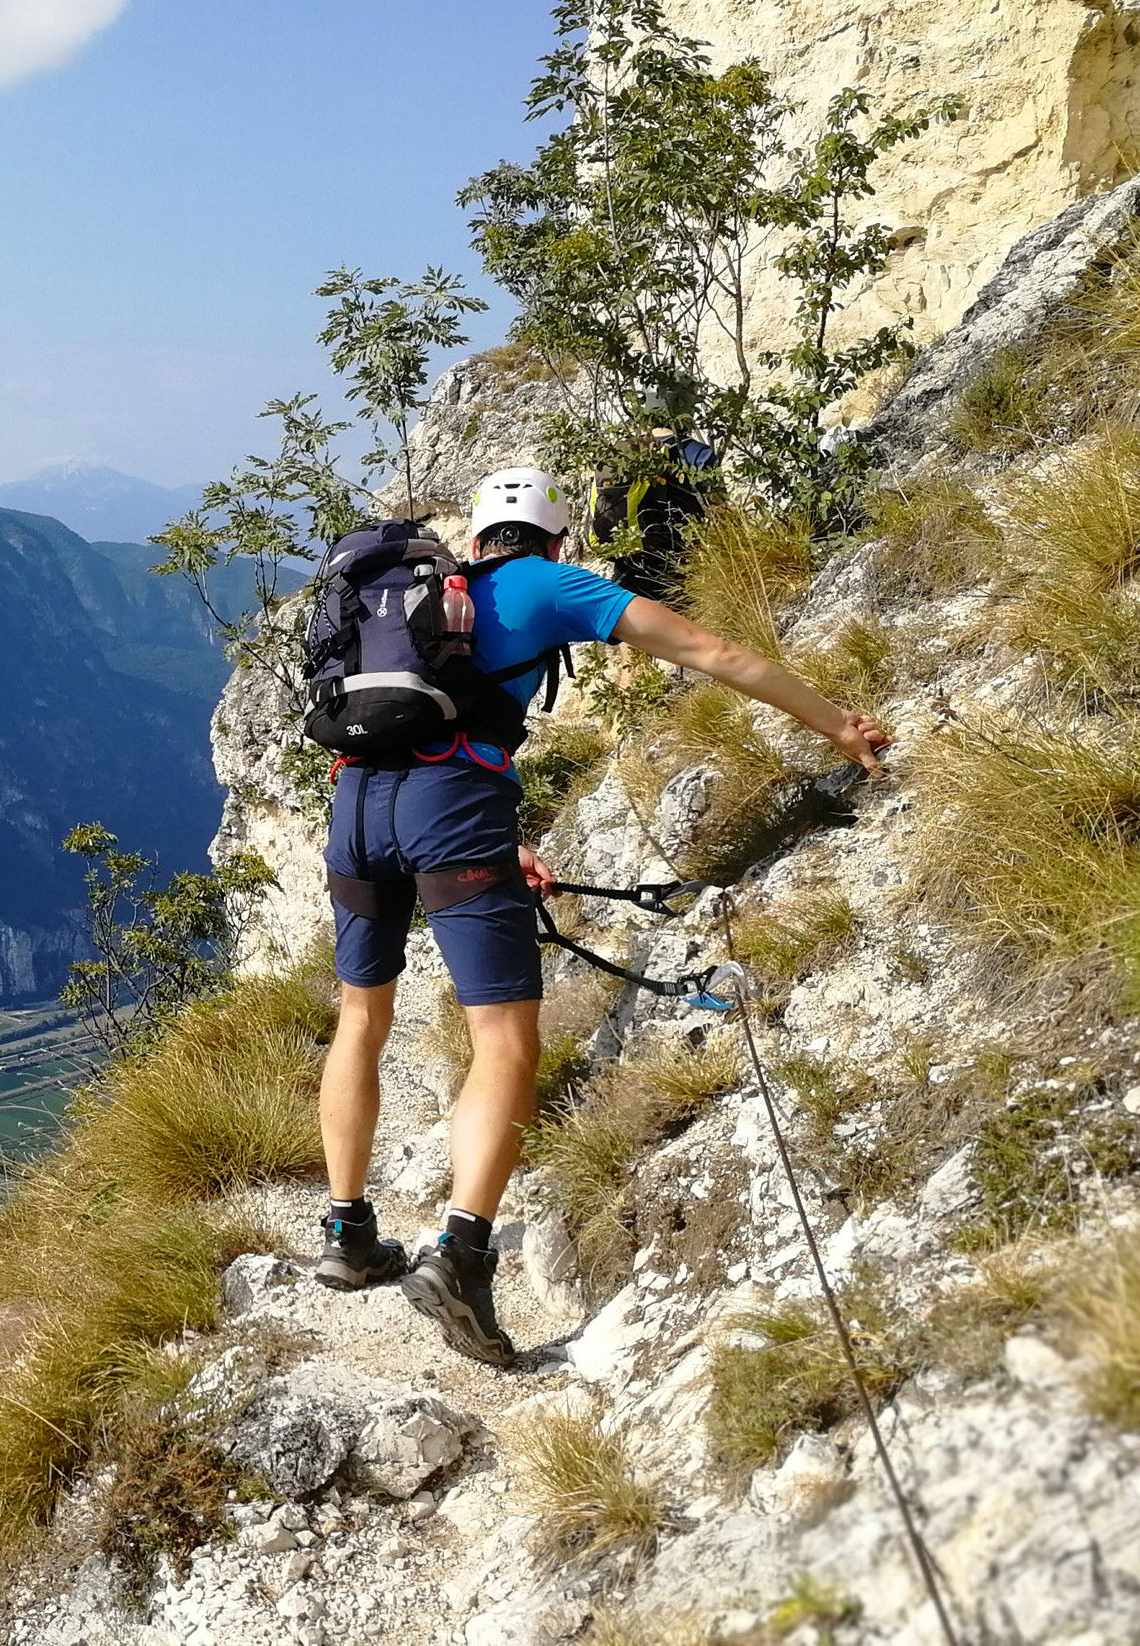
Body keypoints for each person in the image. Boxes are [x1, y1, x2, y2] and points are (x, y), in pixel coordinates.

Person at [312, 467, 889, 1366]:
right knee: (502, 1038)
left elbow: (426, 728)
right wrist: (836, 724)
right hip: (451, 810)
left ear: (474, 539)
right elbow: (709, 652)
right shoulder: (547, 582)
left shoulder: (427, 603)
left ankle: (347, 1235)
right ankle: (460, 1259)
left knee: (361, 1017)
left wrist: (497, 840)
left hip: (354, 806)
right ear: (553, 538)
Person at [589, 428, 716, 600]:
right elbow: (720, 515)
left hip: (626, 569)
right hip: (676, 574)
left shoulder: (624, 451)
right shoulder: (697, 453)